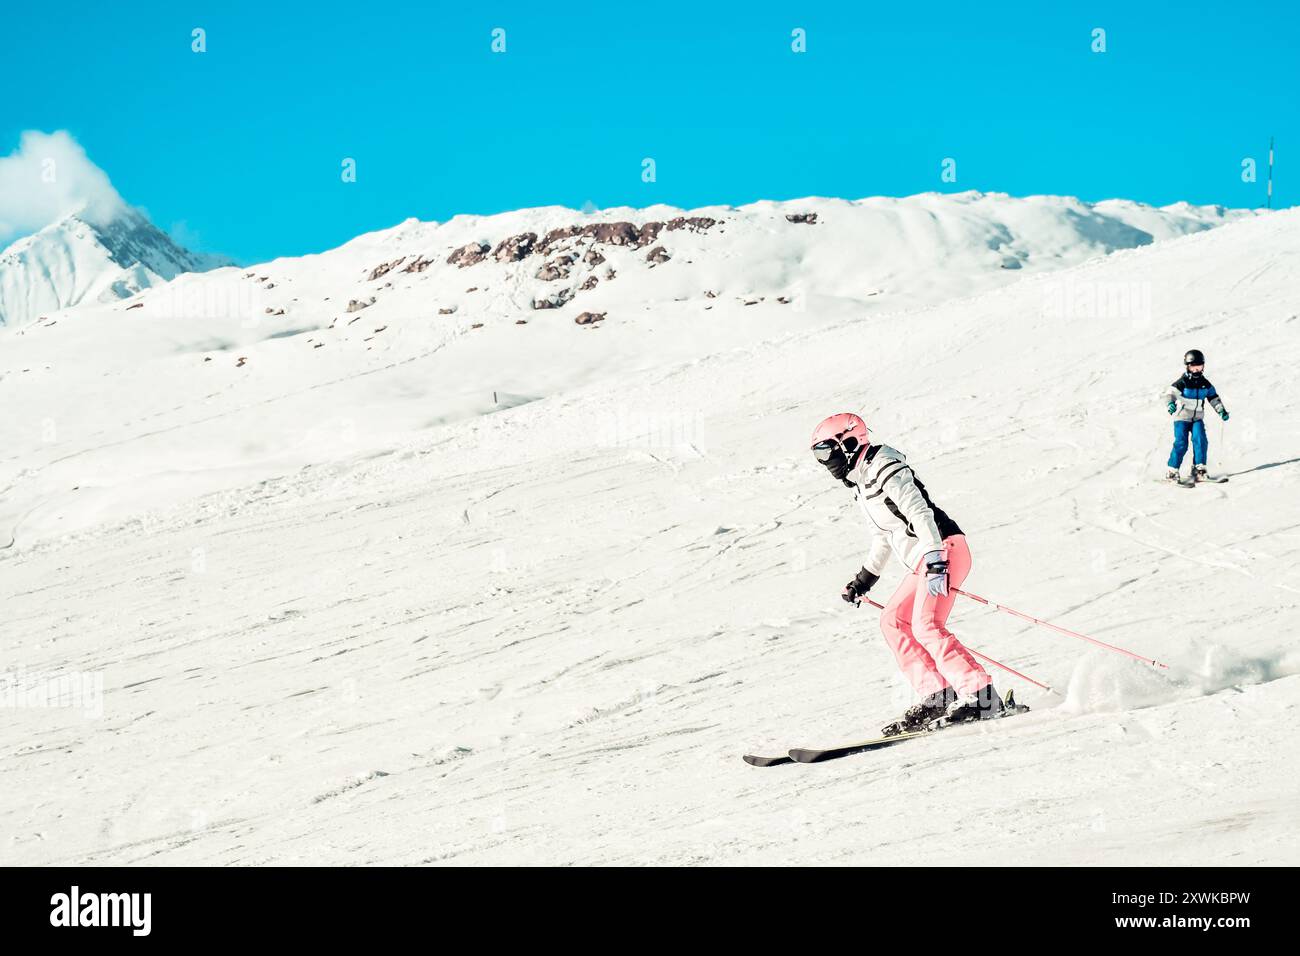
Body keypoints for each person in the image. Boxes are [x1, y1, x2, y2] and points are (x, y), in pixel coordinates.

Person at [810, 412, 1002, 735]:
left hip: (943, 548)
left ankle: (983, 697)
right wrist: (864, 581)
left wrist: (936, 559)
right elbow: (883, 536)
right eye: (819, 456)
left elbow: (918, 511)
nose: (826, 462)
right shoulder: (861, 482)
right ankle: (937, 695)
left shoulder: (883, 464)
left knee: (926, 625)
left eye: (827, 451)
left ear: (848, 442)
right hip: (926, 558)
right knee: (892, 621)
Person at [1164, 349, 1229, 482]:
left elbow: (1213, 397)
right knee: (1181, 443)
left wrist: (1221, 410)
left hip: (1197, 418)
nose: (1196, 370)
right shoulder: (1183, 382)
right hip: (1182, 418)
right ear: (1187, 366)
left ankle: (1199, 469)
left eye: (1199, 366)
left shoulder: (1205, 383)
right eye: (1193, 367)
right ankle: (1172, 470)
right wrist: (1170, 403)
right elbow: (1170, 393)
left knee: (1200, 440)